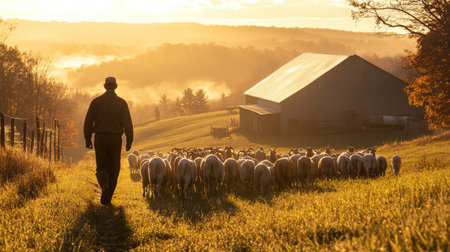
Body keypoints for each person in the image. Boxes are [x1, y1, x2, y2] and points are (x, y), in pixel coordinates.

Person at [84, 76, 133, 205]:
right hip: (115, 139)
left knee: (102, 166)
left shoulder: (96, 102)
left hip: (100, 138)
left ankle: (104, 190)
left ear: (104, 86)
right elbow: (127, 123)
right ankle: (107, 196)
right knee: (114, 168)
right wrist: (129, 140)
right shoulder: (122, 103)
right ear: (116, 86)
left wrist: (87, 138)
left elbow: (88, 121)